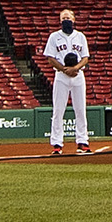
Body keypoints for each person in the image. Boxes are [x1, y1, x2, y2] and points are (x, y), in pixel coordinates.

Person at [40, 8, 92, 153]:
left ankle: (82, 141)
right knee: (58, 110)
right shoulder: (54, 36)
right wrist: (64, 69)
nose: (66, 21)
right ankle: (57, 143)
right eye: (63, 19)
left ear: (74, 20)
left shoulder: (80, 36)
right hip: (61, 76)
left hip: (78, 75)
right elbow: (50, 57)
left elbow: (85, 57)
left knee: (80, 110)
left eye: (68, 18)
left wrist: (75, 68)